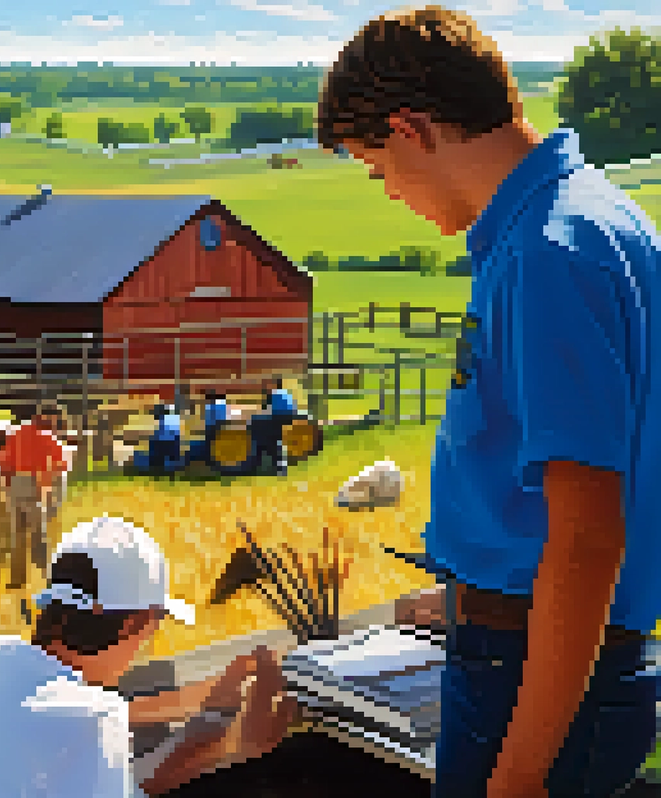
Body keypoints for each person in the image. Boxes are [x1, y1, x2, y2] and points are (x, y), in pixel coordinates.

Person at [318, 7, 661, 797]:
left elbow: (586, 533)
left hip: (532, 682)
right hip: (544, 650)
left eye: (378, 168)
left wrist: (521, 770)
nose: (390, 192)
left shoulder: (548, 254)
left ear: (412, 128)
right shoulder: (597, 218)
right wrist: (465, 595)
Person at [0, 516, 296, 796]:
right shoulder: (91, 718)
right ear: (133, 623)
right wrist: (231, 748)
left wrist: (209, 708)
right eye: (155, 628)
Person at [0, 403, 70, 590]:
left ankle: (17, 579)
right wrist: (47, 485)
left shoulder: (17, 433)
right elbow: (61, 464)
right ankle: (50, 579)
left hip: (15, 486)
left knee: (18, 535)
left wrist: (7, 487)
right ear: (47, 418)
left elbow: (2, 462)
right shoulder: (46, 437)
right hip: (34, 485)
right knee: (38, 536)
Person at [250, 378, 296, 476]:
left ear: (274, 384)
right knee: (274, 441)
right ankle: (279, 467)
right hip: (285, 421)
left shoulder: (272, 395)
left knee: (259, 434)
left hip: (276, 421)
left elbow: (266, 411)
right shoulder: (286, 393)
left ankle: (257, 463)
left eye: (268, 384)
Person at [145, 404, 183, 473]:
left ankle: (156, 467)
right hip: (174, 441)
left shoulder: (163, 419)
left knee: (153, 444)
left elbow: (160, 434)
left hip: (165, 442)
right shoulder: (175, 417)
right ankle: (171, 467)